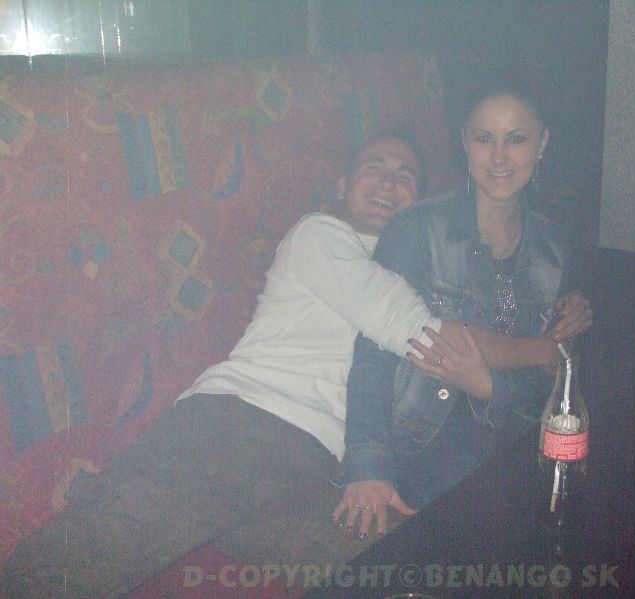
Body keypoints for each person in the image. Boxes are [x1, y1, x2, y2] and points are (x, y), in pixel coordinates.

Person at [1, 127, 589, 597]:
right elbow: (426, 336)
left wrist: (561, 314)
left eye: (405, 174)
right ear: (343, 184)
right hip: (236, 427)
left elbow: (495, 311)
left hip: (319, 470)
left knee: (410, 569)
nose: (389, 182)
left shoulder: (421, 267)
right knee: (82, 559)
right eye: (374, 168)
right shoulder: (321, 236)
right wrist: (550, 350)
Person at [334, 78, 592, 539]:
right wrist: (368, 468)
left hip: (513, 438)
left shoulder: (554, 248)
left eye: (517, 139)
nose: (499, 157)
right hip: (422, 445)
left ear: (542, 144)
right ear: (464, 143)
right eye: (484, 138)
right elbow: (373, 357)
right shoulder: (414, 230)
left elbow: (552, 377)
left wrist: (494, 386)